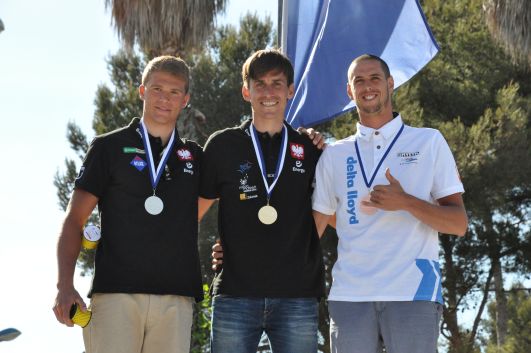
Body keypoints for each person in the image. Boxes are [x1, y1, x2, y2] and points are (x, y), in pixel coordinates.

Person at [312, 54, 468, 353]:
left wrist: (406, 202)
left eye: (374, 78)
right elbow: (311, 231)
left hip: (413, 292)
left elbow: (459, 224)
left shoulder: (429, 142)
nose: (367, 86)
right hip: (350, 295)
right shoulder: (334, 154)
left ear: (390, 84)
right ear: (349, 91)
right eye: (359, 80)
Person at [53, 56, 203, 353]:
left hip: (176, 298)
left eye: (174, 92)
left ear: (185, 100)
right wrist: (65, 286)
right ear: (142, 91)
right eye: (157, 88)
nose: (165, 98)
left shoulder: (195, 157)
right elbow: (74, 219)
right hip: (115, 294)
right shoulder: (108, 147)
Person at [198, 49, 325, 353]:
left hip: (297, 295)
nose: (269, 92)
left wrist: (300, 246)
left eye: (277, 83)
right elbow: (193, 212)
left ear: (290, 90)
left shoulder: (309, 148)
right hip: (235, 293)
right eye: (260, 84)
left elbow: (329, 211)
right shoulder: (222, 145)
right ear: (247, 91)